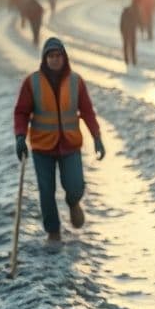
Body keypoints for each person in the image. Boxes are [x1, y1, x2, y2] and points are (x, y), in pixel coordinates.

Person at [13, 37, 105, 244]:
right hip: (42, 147)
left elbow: (87, 111)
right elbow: (21, 112)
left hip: (70, 145)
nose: (55, 59)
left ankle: (73, 203)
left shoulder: (76, 81)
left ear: (64, 58)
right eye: (51, 56)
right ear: (44, 59)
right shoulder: (32, 82)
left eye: (58, 55)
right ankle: (53, 231)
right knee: (47, 192)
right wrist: (20, 136)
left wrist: (97, 137)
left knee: (75, 186)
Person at [120, 0, 139, 66]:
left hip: (127, 30)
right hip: (130, 31)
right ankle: (132, 60)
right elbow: (138, 20)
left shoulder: (126, 10)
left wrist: (121, 29)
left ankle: (128, 59)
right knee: (131, 45)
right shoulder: (135, 10)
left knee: (127, 45)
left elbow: (122, 21)